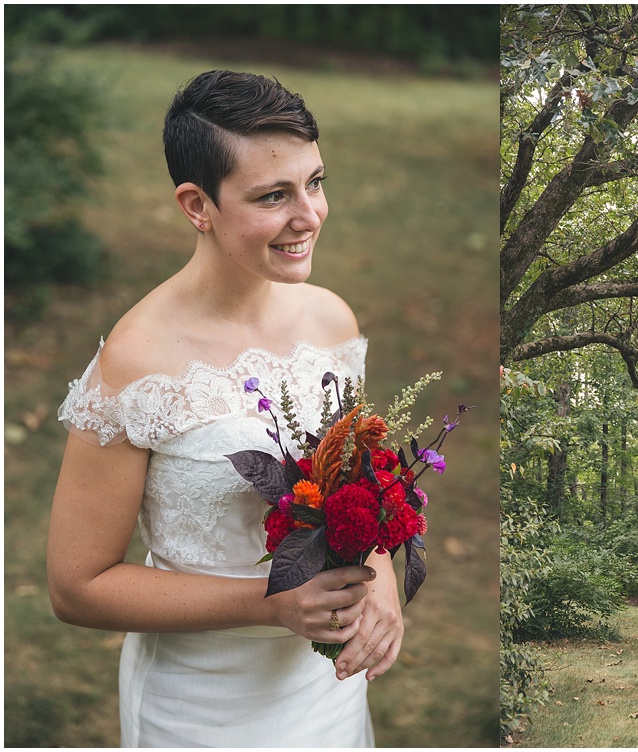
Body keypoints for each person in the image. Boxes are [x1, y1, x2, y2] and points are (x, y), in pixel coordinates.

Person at [48, 70, 403, 747]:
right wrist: (273, 605)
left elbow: (357, 487)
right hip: (198, 708)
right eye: (274, 196)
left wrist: (379, 580)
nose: (310, 215)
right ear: (196, 204)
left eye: (316, 182)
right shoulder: (137, 361)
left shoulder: (332, 320)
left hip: (324, 692)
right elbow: (76, 587)